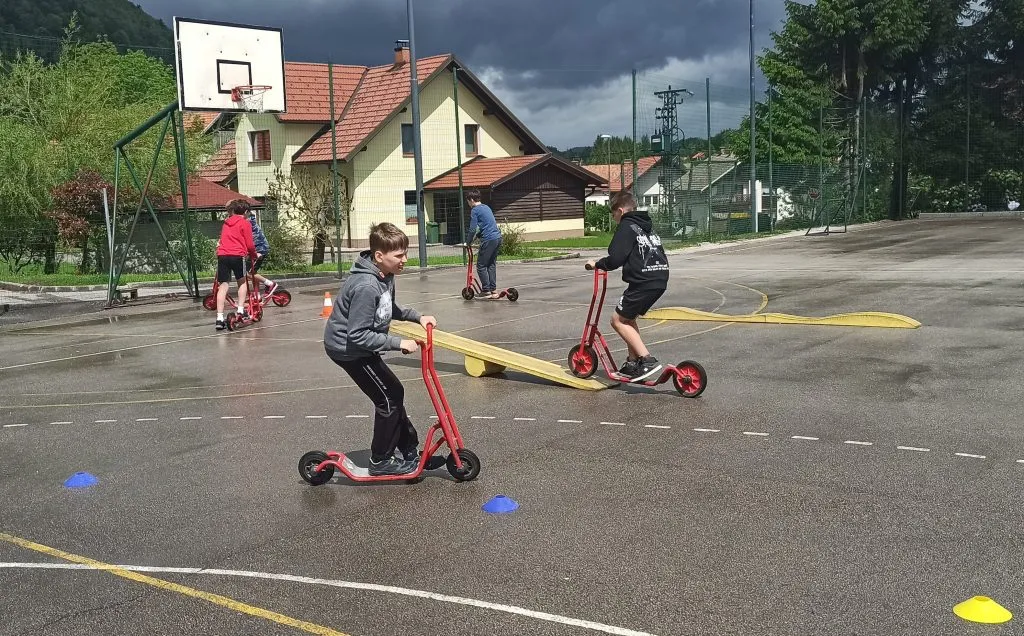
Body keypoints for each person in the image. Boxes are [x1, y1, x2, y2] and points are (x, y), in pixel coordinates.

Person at [323, 222, 437, 476]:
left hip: (362, 345)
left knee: (393, 393)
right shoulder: (366, 286)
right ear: (379, 256)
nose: (404, 260)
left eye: (405, 253)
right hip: (348, 350)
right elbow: (357, 335)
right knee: (388, 399)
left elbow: (387, 308)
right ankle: (380, 460)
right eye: (399, 255)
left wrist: (417, 317)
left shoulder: (385, 275)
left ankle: (409, 450)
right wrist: (398, 343)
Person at [585, 191, 669, 381]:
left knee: (617, 320)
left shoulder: (627, 225)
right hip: (659, 278)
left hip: (643, 281)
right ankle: (633, 363)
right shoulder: (645, 226)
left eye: (613, 213)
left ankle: (646, 360)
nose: (614, 218)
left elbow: (616, 258)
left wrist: (597, 264)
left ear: (621, 211)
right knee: (628, 319)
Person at [215, 199, 259, 330]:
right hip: (237, 255)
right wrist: (254, 255)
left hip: (223, 255)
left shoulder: (226, 223)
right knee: (242, 282)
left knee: (223, 285)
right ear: (245, 212)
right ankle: (240, 310)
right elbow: (250, 244)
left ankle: (219, 318)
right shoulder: (245, 223)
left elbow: (223, 239)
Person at [465, 189, 503, 299]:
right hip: (497, 238)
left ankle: (486, 290)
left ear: (471, 200)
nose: (468, 203)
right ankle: (493, 291)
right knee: (491, 265)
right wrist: (477, 237)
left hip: (488, 239)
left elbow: (472, 229)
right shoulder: (486, 207)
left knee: (481, 266)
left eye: (468, 201)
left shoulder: (475, 210)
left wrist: (468, 242)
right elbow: (485, 226)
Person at [244, 207, 278, 297]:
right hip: (256, 249)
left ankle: (270, 284)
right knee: (252, 272)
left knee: (248, 274)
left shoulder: (247, 222)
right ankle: (257, 295)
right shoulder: (249, 220)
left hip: (259, 249)